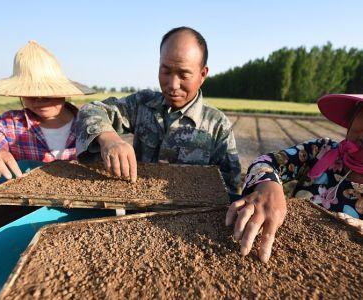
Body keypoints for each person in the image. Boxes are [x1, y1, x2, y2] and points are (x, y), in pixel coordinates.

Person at [75, 26, 241, 195]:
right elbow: (91, 110)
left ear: (203, 74)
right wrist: (109, 139)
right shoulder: (142, 104)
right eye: (166, 71)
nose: (173, 85)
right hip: (136, 209)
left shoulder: (218, 126)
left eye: (184, 75)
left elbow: (227, 190)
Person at [226, 94, 363, 263]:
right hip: (286, 249)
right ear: (353, 117)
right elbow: (267, 162)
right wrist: (269, 186)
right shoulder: (320, 151)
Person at [0, 41, 93, 179]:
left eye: (48, 92)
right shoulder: (9, 125)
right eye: (31, 93)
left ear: (64, 92)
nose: (40, 99)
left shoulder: (89, 124)